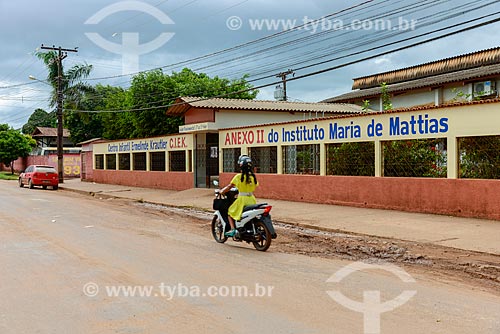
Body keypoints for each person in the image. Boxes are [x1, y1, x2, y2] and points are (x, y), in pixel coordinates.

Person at [220, 155, 259, 237]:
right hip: (252, 199)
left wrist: (222, 191)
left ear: (241, 166)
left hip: (242, 200)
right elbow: (255, 186)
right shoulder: (253, 177)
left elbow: (229, 187)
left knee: (230, 212)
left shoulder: (238, 177)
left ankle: (233, 230)